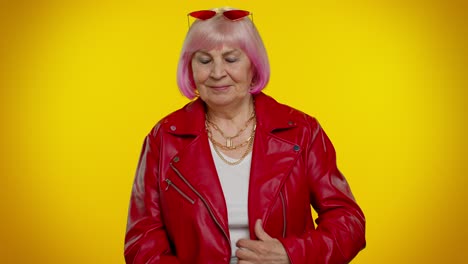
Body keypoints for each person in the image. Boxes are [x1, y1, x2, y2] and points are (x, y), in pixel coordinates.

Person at [124, 7, 366, 264]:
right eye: (204, 60)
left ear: (254, 65)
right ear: (190, 68)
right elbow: (142, 241)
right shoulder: (163, 138)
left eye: (231, 59)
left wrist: (291, 254)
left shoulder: (303, 131)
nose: (217, 73)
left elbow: (348, 221)